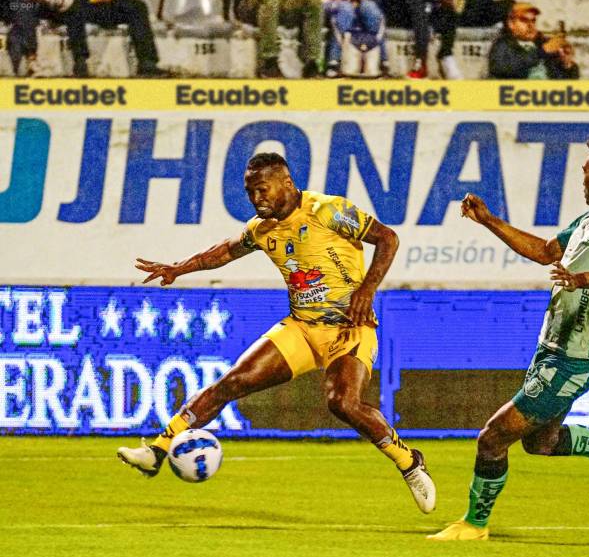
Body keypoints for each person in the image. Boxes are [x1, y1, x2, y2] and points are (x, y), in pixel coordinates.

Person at [117, 152, 436, 515]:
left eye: (262, 189)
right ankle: (157, 451)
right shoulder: (261, 228)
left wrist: (366, 290)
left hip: (349, 328)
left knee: (342, 402)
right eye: (250, 192)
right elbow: (222, 252)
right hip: (302, 328)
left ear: (286, 183)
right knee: (232, 382)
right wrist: (178, 269)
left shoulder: (327, 210)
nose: (256, 199)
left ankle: (409, 462)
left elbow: (388, 238)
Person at [427, 130, 589, 541]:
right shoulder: (587, 222)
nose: (581, 179)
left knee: (492, 438)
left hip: (572, 359)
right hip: (551, 353)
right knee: (543, 442)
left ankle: (474, 524)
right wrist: (489, 221)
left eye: (584, 171)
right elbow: (545, 251)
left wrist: (579, 278)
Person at [4, 0, 165, 77]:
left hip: (87, 4)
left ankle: (147, 62)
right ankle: (80, 61)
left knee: (136, 7)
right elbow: (19, 3)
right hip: (37, 4)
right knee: (73, 8)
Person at [488, 2, 578, 80]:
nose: (530, 25)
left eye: (533, 21)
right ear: (511, 24)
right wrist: (542, 51)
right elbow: (502, 69)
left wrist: (567, 64)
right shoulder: (502, 45)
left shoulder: (543, 43)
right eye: (524, 20)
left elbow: (567, 83)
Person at [237, 0, 323, 77]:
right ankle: (269, 61)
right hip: (253, 5)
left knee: (313, 0)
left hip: (285, 5)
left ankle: (311, 61)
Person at [381, 0, 463, 79]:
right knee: (417, 2)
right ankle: (421, 62)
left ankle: (446, 55)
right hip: (404, 9)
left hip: (429, 8)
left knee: (449, 9)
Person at [323, 0, 388, 78]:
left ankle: (382, 62)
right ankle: (334, 63)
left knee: (370, 8)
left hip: (359, 2)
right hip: (331, 2)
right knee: (345, 8)